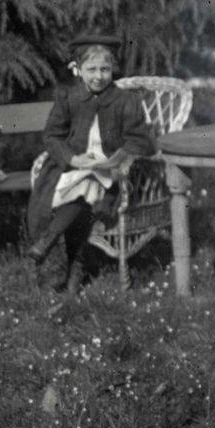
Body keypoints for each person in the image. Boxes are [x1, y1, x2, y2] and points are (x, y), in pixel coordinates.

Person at [26, 36, 155, 294]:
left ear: (113, 70)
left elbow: (142, 140)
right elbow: (52, 136)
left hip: (111, 172)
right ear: (79, 70)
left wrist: (120, 157)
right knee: (79, 193)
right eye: (92, 70)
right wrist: (72, 158)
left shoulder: (124, 101)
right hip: (73, 166)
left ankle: (48, 239)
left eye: (105, 69)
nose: (98, 76)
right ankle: (73, 271)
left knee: (88, 187)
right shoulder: (70, 98)